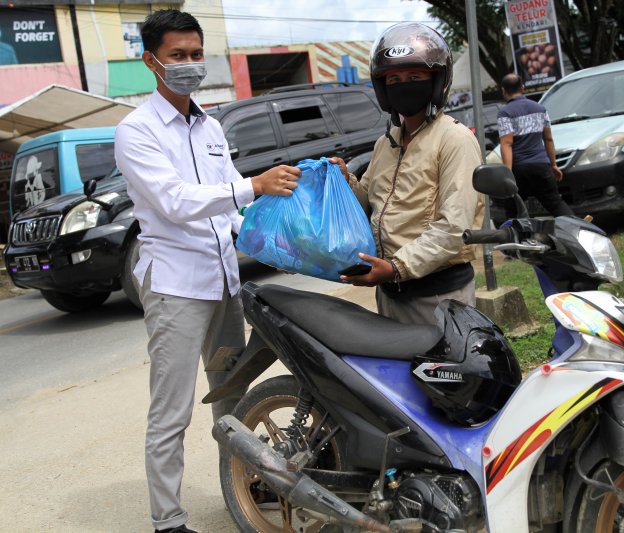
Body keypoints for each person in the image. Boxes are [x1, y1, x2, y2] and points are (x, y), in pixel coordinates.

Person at [113, 10, 301, 533]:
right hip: (176, 287)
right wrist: (253, 187)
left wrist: (280, 233)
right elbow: (175, 202)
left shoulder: (211, 125)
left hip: (223, 283)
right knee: (171, 410)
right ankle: (168, 521)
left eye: (196, 54)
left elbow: (231, 208)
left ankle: (242, 480)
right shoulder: (137, 131)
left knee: (233, 394)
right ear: (151, 61)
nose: (190, 65)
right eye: (178, 56)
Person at [330, 22, 483, 327]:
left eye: (414, 77)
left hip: (439, 296)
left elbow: (455, 227)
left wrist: (396, 267)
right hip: (390, 292)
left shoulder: (455, 140)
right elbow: (370, 204)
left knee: (442, 374)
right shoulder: (386, 144)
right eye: (394, 79)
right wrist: (344, 178)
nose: (404, 84)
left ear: (436, 82)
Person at [497, 73, 574, 219]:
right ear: (523, 87)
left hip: (519, 169)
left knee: (514, 210)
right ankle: (577, 232)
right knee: (556, 204)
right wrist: (553, 165)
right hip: (541, 166)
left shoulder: (505, 113)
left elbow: (507, 143)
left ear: (503, 91)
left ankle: (518, 239)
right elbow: (548, 139)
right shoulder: (540, 108)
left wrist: (508, 173)